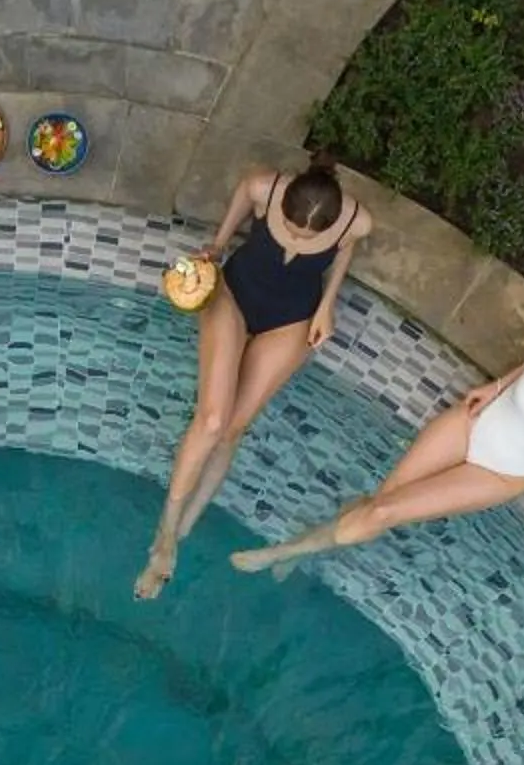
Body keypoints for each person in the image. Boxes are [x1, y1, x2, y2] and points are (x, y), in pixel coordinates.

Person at [231, 318, 524, 572]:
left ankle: (285, 551)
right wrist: (496, 385)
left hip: (500, 473)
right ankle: (310, 545)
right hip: (471, 424)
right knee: (384, 498)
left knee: (385, 510)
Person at [135, 158, 371, 600]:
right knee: (210, 420)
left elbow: (348, 247)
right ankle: (166, 533)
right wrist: (217, 245)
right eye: (293, 229)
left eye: (310, 237)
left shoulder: (355, 221)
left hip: (292, 317)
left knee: (233, 429)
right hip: (236, 295)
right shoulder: (264, 187)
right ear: (282, 203)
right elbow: (240, 202)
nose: (300, 241)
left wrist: (327, 304)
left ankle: (188, 526)